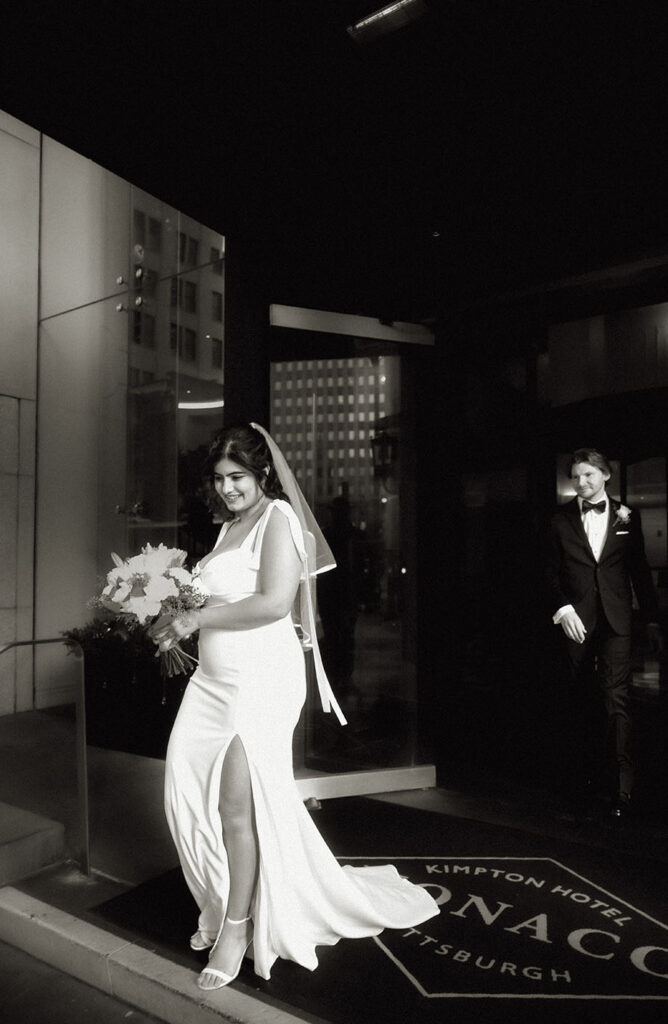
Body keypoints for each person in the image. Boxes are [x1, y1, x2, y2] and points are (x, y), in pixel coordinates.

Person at [149, 424, 439, 990]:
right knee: (183, 789)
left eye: (238, 477)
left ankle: (237, 925)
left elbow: (275, 602)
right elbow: (212, 598)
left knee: (237, 808)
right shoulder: (231, 525)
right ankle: (224, 895)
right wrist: (170, 617)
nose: (228, 488)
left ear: (261, 476)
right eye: (219, 478)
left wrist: (197, 617)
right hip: (211, 680)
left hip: (260, 680)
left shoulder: (278, 519)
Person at [546, 448, 662, 819]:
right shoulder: (559, 520)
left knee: (616, 700)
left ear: (605, 475)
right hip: (575, 620)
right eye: (576, 477)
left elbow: (639, 571)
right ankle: (580, 781)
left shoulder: (628, 516)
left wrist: (653, 620)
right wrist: (564, 609)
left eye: (588, 476)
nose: (581, 483)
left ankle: (622, 788)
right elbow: (546, 571)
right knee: (577, 697)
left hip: (617, 621)